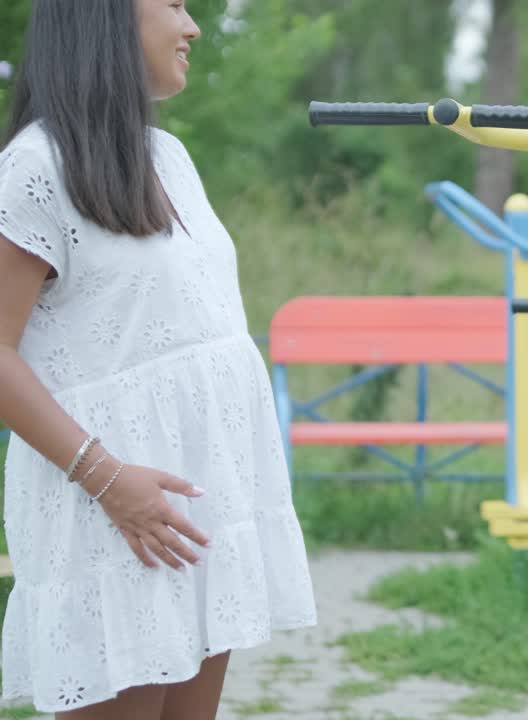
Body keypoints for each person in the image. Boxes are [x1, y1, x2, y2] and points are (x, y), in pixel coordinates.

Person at [0, 2, 317, 717]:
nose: (193, 26)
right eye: (172, 4)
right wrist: (109, 480)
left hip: (199, 505)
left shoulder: (166, 156)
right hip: (111, 511)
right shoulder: (32, 168)